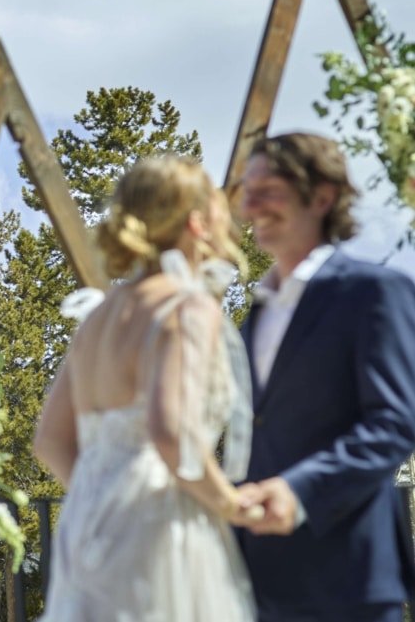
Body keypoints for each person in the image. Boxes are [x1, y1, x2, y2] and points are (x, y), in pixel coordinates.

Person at [33, 154, 260, 622]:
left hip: (88, 521)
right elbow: (170, 432)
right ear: (196, 222)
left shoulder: (97, 315)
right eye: (219, 207)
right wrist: (232, 505)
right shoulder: (186, 306)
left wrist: (105, 489)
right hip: (159, 521)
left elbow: (50, 441)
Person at [236, 131, 415, 622]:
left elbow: (395, 425)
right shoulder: (256, 313)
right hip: (256, 580)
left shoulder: (376, 292)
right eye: (247, 189)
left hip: (346, 578)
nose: (251, 203)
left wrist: (299, 491)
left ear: (322, 196)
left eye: (269, 187)